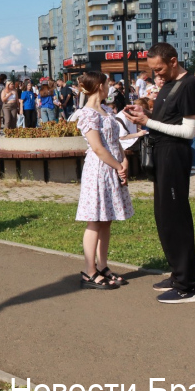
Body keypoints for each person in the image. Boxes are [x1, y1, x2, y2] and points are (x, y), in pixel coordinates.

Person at [124, 43, 195, 304]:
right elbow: (167, 119)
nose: (156, 74)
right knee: (164, 216)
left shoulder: (189, 84)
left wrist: (148, 122)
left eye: (159, 69)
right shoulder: (169, 84)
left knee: (175, 217)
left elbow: (189, 131)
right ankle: (178, 273)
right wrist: (144, 114)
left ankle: (188, 285)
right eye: (152, 70)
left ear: (173, 61)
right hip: (162, 154)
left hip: (174, 155)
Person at [75, 71, 134, 290]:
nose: (109, 87)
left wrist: (123, 159)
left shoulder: (106, 110)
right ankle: (89, 271)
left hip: (112, 167)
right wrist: (118, 166)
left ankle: (102, 266)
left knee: (106, 219)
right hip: (99, 170)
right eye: (107, 84)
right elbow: (98, 148)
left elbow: (115, 141)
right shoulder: (88, 114)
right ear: (100, 85)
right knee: (95, 220)